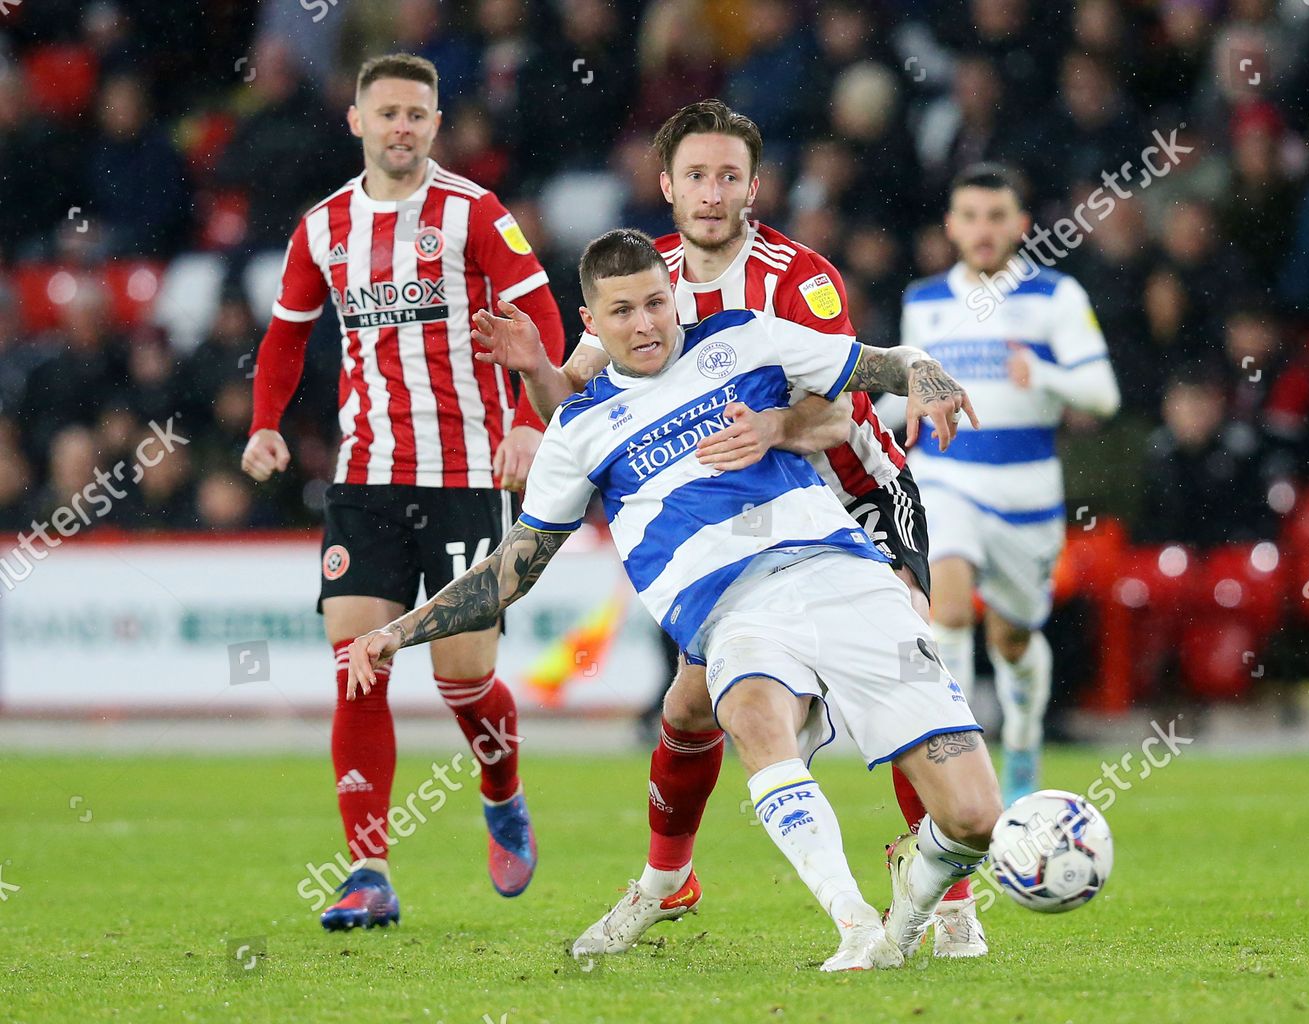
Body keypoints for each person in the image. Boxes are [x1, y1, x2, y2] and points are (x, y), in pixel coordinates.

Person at [345, 228, 1004, 971]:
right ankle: (854, 927)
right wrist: (397, 634)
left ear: (675, 298)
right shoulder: (580, 429)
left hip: (842, 571)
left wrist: (927, 373)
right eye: (622, 311)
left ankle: (910, 906)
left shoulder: (744, 338)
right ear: (590, 323)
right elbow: (511, 572)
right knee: (750, 716)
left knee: (975, 816)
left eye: (657, 302)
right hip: (732, 615)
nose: (646, 323)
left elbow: (880, 362)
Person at [480, 99, 986, 957]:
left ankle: (948, 901)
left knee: (898, 679)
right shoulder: (642, 278)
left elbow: (844, 409)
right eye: (696, 176)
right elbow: (585, 412)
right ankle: (668, 881)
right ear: (666, 183)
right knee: (689, 706)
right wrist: (535, 378)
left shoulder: (798, 277)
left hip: (854, 499)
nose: (712, 193)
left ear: (754, 186)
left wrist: (776, 428)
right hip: (738, 534)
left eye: (729, 176)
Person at [240, 53, 566, 930]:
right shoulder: (323, 227)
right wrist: (266, 421)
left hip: (464, 473)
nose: (401, 128)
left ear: (435, 122)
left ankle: (501, 789)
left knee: (466, 681)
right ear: (356, 121)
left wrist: (533, 420)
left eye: (417, 114)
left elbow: (540, 317)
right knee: (356, 667)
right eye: (386, 113)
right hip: (366, 477)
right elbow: (285, 336)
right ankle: (369, 871)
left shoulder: (475, 214)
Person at [898, 164, 1120, 805]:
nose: (983, 229)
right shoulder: (926, 303)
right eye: (969, 216)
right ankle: (968, 773)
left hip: (1027, 493)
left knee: (1014, 637)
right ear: (951, 226)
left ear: (1022, 225)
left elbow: (1103, 395)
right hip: (946, 478)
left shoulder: (1057, 297)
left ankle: (1021, 738)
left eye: (997, 217)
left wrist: (1044, 375)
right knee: (951, 603)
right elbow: (909, 395)